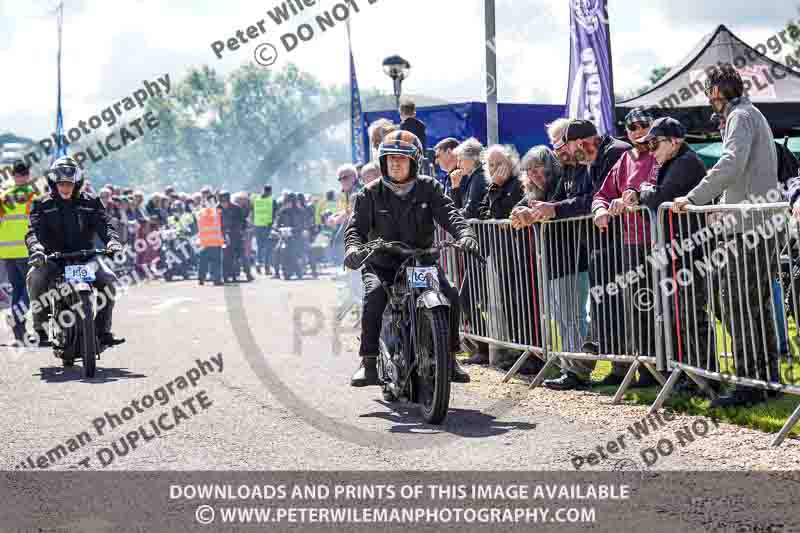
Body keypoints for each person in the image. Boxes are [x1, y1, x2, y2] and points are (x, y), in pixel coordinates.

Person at [673, 64, 779, 407]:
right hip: (756, 223)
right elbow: (742, 172)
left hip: (748, 228)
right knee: (752, 305)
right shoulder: (750, 114)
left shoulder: (740, 116)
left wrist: (694, 198)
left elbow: (732, 163)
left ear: (715, 94)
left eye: (710, 94)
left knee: (735, 303)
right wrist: (720, 202)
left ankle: (750, 384)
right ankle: (766, 380)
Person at [343, 131, 478, 387]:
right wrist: (353, 249)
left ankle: (449, 358)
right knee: (374, 297)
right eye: (390, 158)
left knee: (449, 294)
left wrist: (466, 234)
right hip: (382, 263)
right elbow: (355, 230)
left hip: (420, 260)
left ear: (414, 161)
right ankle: (368, 362)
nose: (395, 163)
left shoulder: (429, 188)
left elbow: (451, 214)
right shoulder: (369, 193)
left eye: (402, 159)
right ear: (383, 162)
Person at [588, 106, 660, 388]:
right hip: (628, 244)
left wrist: (633, 196)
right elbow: (601, 194)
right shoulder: (625, 158)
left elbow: (657, 185)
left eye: (643, 124)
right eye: (632, 127)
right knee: (624, 307)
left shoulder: (659, 152)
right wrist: (599, 210)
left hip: (656, 242)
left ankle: (653, 370)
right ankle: (624, 364)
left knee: (649, 307)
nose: (638, 131)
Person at [25, 156, 124, 347]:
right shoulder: (42, 204)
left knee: (109, 280)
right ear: (54, 183)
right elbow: (33, 231)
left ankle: (103, 331)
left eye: (69, 183)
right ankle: (40, 328)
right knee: (35, 277)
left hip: (86, 257)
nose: (65, 188)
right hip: (53, 258)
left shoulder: (92, 202)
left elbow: (105, 225)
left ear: (77, 183)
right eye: (61, 183)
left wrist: (113, 242)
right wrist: (36, 249)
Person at [0, 161, 39, 340]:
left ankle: (19, 333)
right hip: (26, 250)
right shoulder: (32, 196)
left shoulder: (4, 196)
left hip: (7, 252)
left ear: (13, 175)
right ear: (28, 175)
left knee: (17, 289)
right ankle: (16, 316)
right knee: (30, 289)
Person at [451, 138, 489, 220]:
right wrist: (455, 187)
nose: (458, 165)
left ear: (472, 158)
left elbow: (469, 212)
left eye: (460, 160)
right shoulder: (475, 176)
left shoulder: (479, 177)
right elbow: (461, 207)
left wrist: (451, 216)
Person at [218, 191, 247, 283]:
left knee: (240, 255)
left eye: (225, 202)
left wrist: (240, 230)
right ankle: (225, 276)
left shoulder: (236, 208)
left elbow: (242, 221)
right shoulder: (217, 208)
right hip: (222, 235)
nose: (224, 204)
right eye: (222, 202)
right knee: (225, 256)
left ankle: (247, 273)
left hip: (235, 235)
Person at [196, 194, 224, 286]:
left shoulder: (200, 213)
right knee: (216, 262)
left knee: (203, 262)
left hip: (204, 242)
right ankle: (217, 280)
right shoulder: (218, 212)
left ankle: (201, 279)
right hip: (215, 242)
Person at [253, 185, 277, 276]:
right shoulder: (272, 201)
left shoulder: (256, 200)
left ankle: (258, 263)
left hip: (258, 226)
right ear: (270, 191)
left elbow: (253, 212)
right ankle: (267, 268)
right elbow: (275, 214)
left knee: (259, 247)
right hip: (268, 227)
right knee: (268, 247)